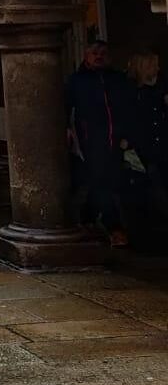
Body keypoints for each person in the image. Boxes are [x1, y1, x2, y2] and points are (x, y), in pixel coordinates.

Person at [66, 40, 132, 246]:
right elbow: (65, 107)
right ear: (86, 55)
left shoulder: (117, 80)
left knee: (105, 181)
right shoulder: (77, 81)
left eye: (103, 52)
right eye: (94, 53)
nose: (99, 56)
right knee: (100, 180)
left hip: (116, 140)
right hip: (90, 140)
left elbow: (127, 108)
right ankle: (115, 227)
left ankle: (87, 218)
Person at [126, 52, 168, 221]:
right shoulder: (133, 91)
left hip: (162, 142)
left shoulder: (162, 86)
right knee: (154, 185)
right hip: (145, 146)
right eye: (153, 65)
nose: (157, 68)